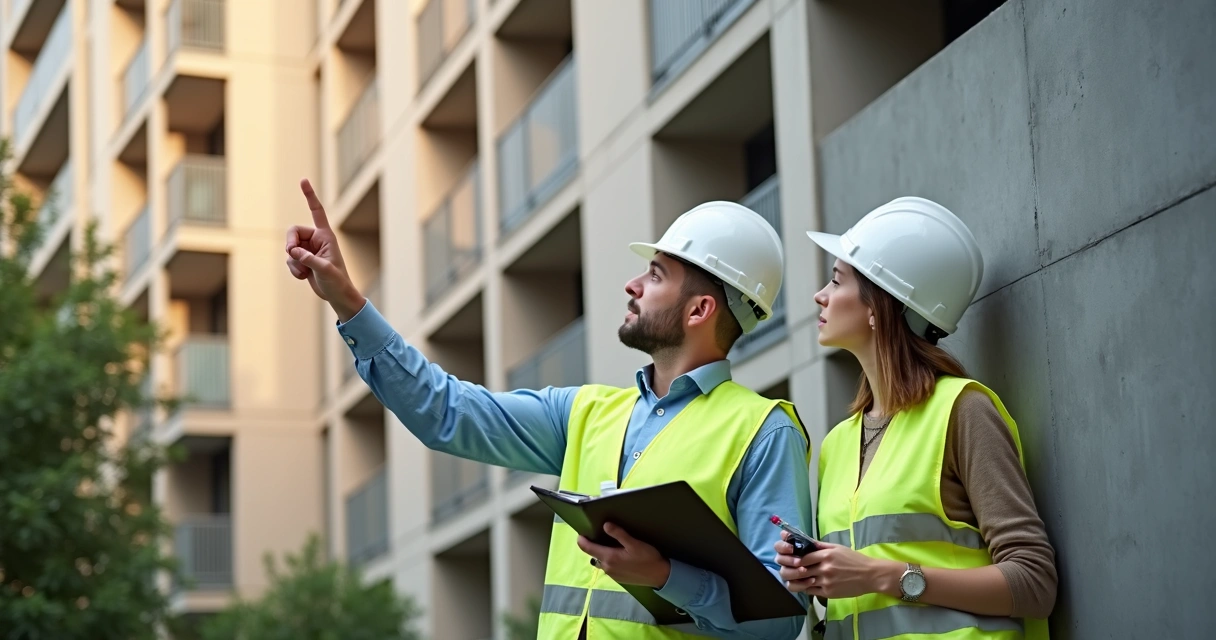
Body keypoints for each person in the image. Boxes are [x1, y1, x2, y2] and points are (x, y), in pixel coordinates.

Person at [285, 178, 813, 640]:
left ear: (700, 309)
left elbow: (782, 617)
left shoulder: (764, 432)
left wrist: (664, 576)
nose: (632, 285)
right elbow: (445, 411)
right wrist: (347, 302)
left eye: (654, 275)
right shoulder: (585, 413)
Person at [774, 197, 1057, 640]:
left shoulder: (963, 411)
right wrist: (819, 575)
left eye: (836, 280)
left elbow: (1034, 583)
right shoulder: (837, 443)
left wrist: (879, 576)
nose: (820, 295)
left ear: (877, 307)